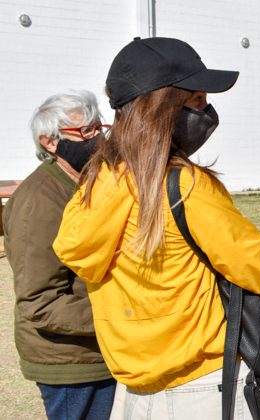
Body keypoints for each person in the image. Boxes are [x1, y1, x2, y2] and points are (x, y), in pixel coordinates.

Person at [52, 37, 260, 419]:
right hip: (201, 389)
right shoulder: (183, 186)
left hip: (136, 393)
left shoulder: (98, 182)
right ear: (162, 108)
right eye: (198, 101)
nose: (207, 112)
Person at [2, 90, 116, 419]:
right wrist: (119, 314)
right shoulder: (38, 202)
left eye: (100, 129)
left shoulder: (87, 184)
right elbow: (40, 301)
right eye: (86, 132)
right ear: (50, 142)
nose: (98, 139)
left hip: (101, 352)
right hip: (71, 365)